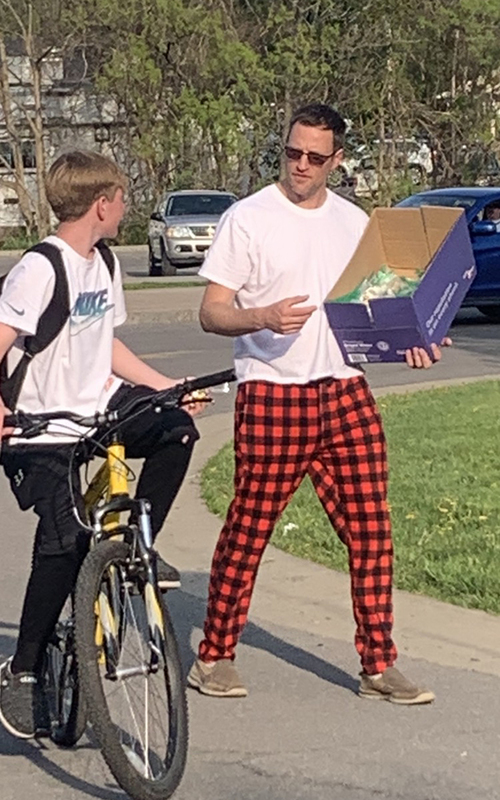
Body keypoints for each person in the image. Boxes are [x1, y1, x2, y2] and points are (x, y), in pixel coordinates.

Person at [188, 103, 446, 704]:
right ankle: (215, 655)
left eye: (314, 157)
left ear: (336, 160)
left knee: (371, 532)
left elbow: (377, 310)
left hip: (345, 390)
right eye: (291, 152)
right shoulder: (247, 218)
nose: (300, 165)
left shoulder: (354, 223)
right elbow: (211, 311)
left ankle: (379, 665)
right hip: (273, 393)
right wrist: (261, 316)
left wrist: (414, 343)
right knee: (250, 527)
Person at [0, 150, 204, 739]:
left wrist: (167, 386)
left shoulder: (105, 263)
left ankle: (138, 546)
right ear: (101, 203)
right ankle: (26, 667)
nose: (125, 209)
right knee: (63, 541)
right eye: (121, 199)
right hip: (39, 428)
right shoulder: (41, 268)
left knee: (175, 429)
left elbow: (104, 347)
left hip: (96, 409)